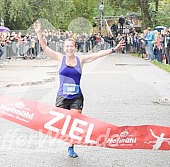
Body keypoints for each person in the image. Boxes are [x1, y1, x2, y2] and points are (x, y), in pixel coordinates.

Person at [33, 20, 125, 158]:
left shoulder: (81, 60)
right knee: (63, 123)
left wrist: (113, 49)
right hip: (62, 96)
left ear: (75, 47)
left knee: (74, 121)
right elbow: (45, 47)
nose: (69, 48)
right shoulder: (60, 58)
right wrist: (39, 33)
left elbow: (98, 54)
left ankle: (71, 146)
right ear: (64, 48)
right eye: (67, 46)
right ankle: (68, 138)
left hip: (76, 97)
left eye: (71, 46)